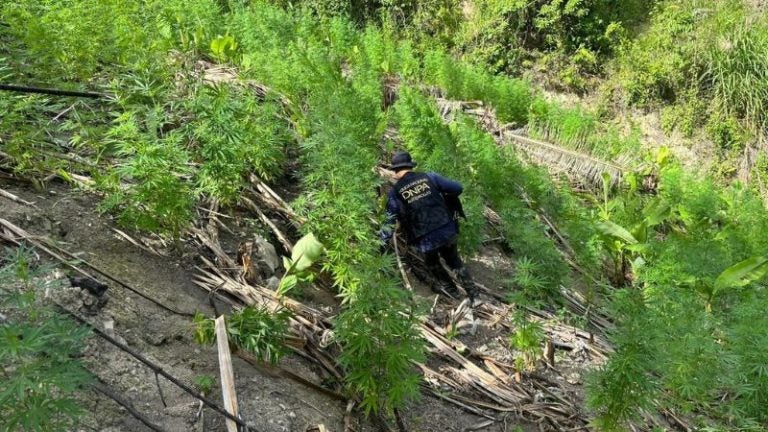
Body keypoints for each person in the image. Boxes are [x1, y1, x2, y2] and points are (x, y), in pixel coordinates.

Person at [380, 151, 478, 302]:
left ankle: (452, 292)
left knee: (432, 263)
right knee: (454, 261)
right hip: (446, 229)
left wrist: (382, 242)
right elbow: (457, 188)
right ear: (410, 166)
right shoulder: (430, 177)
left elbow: (390, 221)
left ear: (395, 171)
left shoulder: (395, 193)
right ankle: (475, 297)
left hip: (424, 239)